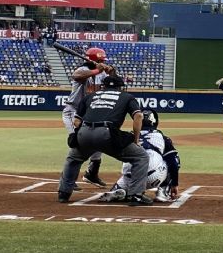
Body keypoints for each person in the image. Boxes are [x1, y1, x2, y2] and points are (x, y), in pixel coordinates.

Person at [57, 75, 152, 206]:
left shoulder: (90, 96)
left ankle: (64, 193)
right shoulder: (127, 97)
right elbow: (139, 115)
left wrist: (79, 136)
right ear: (120, 87)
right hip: (107, 134)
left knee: (73, 159)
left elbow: (77, 121)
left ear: (103, 86)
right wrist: (135, 140)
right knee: (141, 157)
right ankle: (136, 195)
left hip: (84, 132)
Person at [98, 109, 181, 203]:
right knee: (171, 159)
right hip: (154, 177)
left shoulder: (130, 135)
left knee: (127, 170)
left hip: (130, 177)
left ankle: (121, 191)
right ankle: (163, 191)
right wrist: (174, 184)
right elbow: (173, 163)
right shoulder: (162, 137)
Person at [61, 47, 112, 191]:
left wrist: (110, 71)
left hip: (90, 114)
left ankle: (92, 173)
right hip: (73, 111)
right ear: (94, 60)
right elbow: (76, 76)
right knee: (77, 144)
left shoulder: (102, 75)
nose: (103, 62)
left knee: (98, 140)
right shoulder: (82, 70)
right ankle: (67, 179)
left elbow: (115, 82)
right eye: (101, 60)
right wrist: (97, 70)